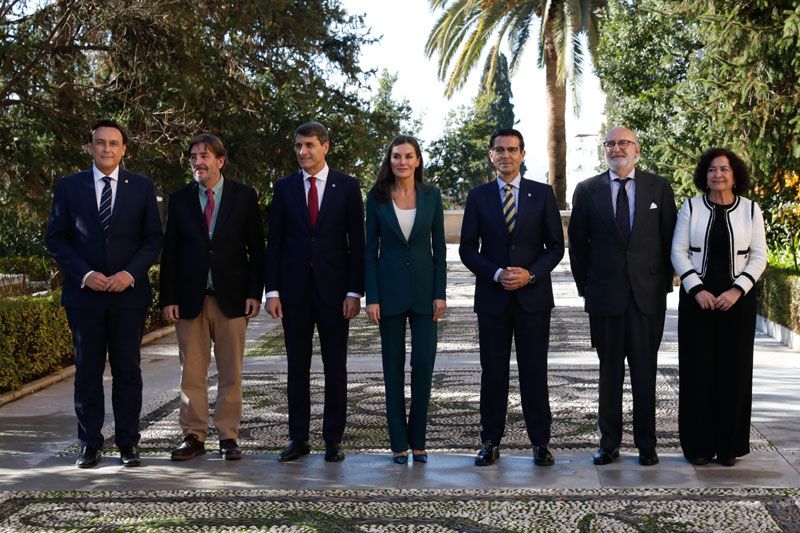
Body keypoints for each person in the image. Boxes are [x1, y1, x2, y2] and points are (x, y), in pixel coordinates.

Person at [45, 119, 163, 468]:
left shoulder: (141, 187)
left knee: (128, 371)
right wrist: (86, 274)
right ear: (91, 146)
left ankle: (129, 443)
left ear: (124, 149)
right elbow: (56, 238)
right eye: (100, 142)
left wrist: (129, 274)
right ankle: (90, 443)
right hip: (85, 297)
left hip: (128, 296)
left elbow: (154, 239)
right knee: (87, 371)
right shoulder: (69, 187)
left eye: (114, 143)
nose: (107, 148)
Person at [568, 126, 677, 466]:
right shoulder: (587, 191)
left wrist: (662, 287)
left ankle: (647, 444)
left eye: (624, 143)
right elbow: (578, 247)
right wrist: (588, 290)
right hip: (605, 298)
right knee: (609, 373)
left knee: (646, 372)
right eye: (611, 143)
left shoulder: (659, 186)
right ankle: (609, 443)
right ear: (605, 150)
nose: (617, 148)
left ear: (637, 149)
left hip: (647, 298)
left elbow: (669, 240)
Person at [459, 128, 564, 467]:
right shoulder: (478, 197)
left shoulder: (542, 194)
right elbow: (467, 250)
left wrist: (530, 274)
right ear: (491, 155)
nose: (506, 155)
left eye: (512, 150)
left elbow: (556, 247)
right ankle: (489, 441)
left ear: (522, 154)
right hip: (493, 298)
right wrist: (495, 273)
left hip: (533, 299)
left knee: (535, 372)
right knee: (493, 373)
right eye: (499, 150)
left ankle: (540, 442)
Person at [160, 133, 264, 461]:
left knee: (232, 371)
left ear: (220, 161)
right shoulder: (179, 199)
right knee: (191, 371)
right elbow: (171, 253)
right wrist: (169, 297)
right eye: (193, 157)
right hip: (190, 298)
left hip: (231, 298)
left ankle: (228, 436)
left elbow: (257, 251)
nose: (198, 162)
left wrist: (254, 293)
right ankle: (193, 436)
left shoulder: (244, 196)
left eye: (205, 156)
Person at [265, 121, 364, 463]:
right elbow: (274, 242)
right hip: (294, 292)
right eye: (298, 146)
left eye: (309, 145)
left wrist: (354, 291)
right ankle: (298, 438)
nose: (303, 152)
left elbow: (358, 244)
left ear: (325, 147)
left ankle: (333, 439)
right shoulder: (284, 187)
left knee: (335, 367)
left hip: (335, 293)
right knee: (297, 367)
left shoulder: (348, 187)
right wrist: (272, 290)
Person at [671, 148, 767, 467]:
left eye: (724, 169)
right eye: (712, 170)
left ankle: (729, 447)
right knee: (697, 372)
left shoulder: (751, 211)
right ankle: (698, 447)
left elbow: (759, 257)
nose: (718, 175)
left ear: (735, 174)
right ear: (705, 175)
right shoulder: (691, 207)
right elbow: (678, 251)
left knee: (734, 373)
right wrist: (696, 288)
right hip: (697, 302)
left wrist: (737, 290)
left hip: (736, 303)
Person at [364, 135, 447, 464]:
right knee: (392, 368)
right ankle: (398, 442)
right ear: (390, 160)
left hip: (426, 294)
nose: (402, 162)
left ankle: (419, 440)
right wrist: (372, 297)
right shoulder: (377, 197)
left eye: (408, 156)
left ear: (417, 161)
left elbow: (439, 249)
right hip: (389, 293)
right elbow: (370, 252)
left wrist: (440, 292)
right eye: (396, 156)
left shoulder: (432, 195)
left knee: (423, 365)